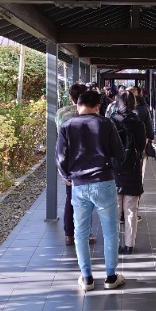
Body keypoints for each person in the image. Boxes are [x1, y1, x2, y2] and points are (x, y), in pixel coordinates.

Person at [57, 90, 126, 291]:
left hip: (78, 185)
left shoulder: (67, 126)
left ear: (78, 105)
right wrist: (110, 168)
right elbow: (119, 153)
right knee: (111, 231)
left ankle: (87, 278)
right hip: (104, 182)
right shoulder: (106, 124)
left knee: (80, 232)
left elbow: (60, 158)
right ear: (98, 106)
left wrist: (69, 177)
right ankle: (111, 277)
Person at [55, 82, 95, 246]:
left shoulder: (61, 113)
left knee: (70, 197)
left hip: (68, 159)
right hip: (86, 160)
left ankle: (69, 234)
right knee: (86, 199)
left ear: (71, 97)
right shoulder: (90, 114)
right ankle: (84, 234)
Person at [109, 91, 146, 254]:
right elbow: (141, 148)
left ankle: (114, 243)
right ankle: (129, 245)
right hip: (132, 169)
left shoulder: (111, 121)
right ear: (133, 104)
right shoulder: (138, 123)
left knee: (114, 210)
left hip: (114, 170)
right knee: (131, 209)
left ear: (118, 103)